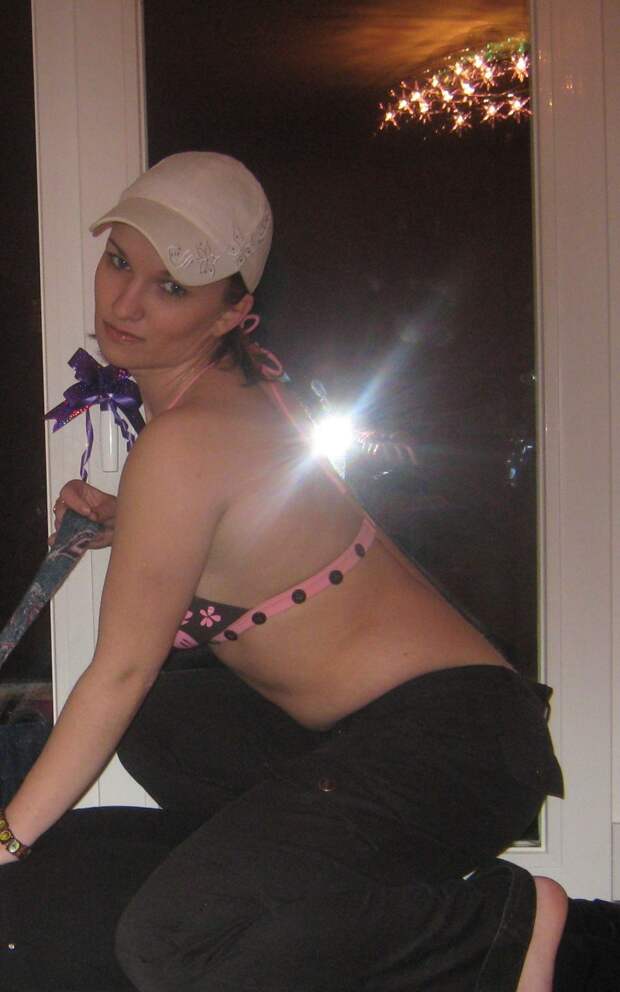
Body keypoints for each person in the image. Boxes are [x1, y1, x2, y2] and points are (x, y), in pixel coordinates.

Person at [0, 151, 614, 992]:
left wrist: (6, 840)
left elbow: (119, 671)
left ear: (231, 312)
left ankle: (496, 932)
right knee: (166, 720)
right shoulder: (230, 400)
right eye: (119, 261)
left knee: (169, 944)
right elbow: (250, 529)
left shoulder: (186, 441)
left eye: (172, 286)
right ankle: (270, 884)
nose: (125, 302)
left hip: (449, 746)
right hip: (418, 737)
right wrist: (127, 520)